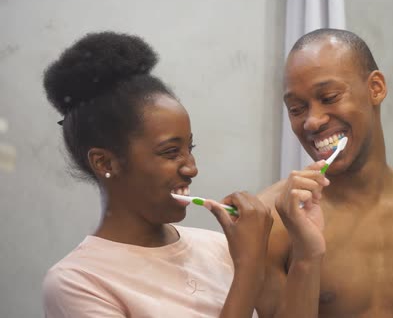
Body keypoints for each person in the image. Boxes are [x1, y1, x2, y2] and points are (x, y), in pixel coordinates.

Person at [42, 31, 327, 318]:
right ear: (105, 163)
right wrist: (249, 269)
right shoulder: (78, 282)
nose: (191, 167)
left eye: (189, 148)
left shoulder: (217, 249)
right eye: (170, 152)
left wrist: (307, 253)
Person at [254, 29, 393, 318]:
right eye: (296, 108)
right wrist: (306, 256)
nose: (313, 121)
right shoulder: (272, 220)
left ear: (376, 88)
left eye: (329, 97)